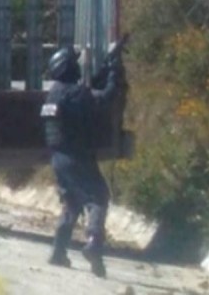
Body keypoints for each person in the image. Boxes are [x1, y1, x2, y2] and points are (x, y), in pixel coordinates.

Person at [40, 44, 123, 278]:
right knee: (98, 197)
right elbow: (105, 98)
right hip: (77, 156)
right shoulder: (74, 94)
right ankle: (94, 243)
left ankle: (58, 252)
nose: (78, 67)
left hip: (58, 159)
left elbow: (86, 94)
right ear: (68, 68)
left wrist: (105, 67)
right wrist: (114, 69)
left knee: (72, 203)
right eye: (74, 64)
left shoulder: (55, 93)